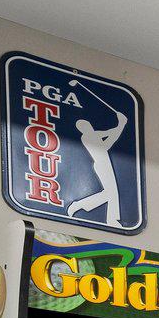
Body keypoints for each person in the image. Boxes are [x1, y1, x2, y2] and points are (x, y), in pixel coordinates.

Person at [63, 92, 128, 228]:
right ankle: (80, 205)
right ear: (83, 129)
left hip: (105, 163)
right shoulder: (87, 137)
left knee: (112, 193)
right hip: (102, 164)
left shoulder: (94, 134)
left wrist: (121, 123)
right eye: (86, 125)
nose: (89, 126)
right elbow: (107, 143)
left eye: (88, 124)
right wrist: (121, 124)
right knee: (110, 193)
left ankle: (111, 220)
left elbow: (111, 133)